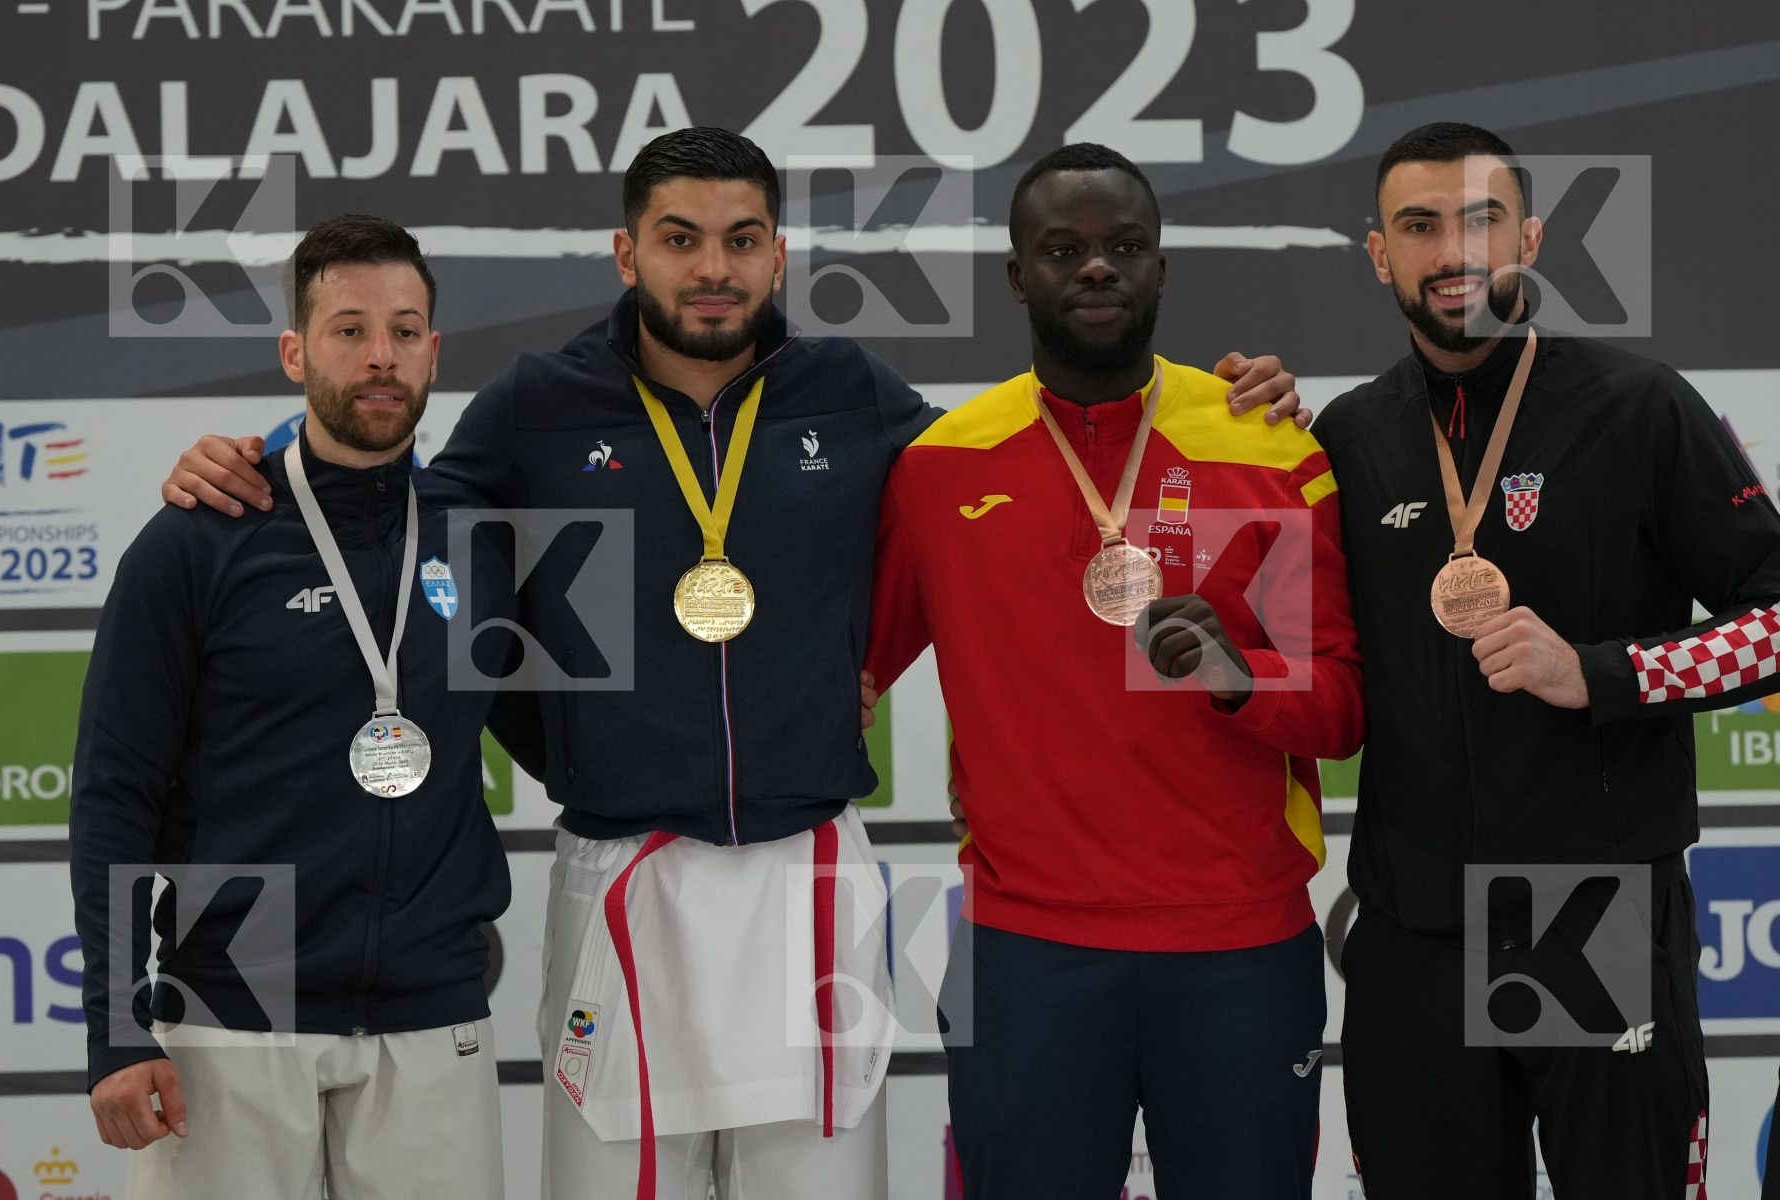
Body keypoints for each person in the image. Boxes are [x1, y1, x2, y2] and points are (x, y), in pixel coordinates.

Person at [158, 128, 1303, 1200]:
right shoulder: (538, 408)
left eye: (742, 240)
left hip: (808, 872)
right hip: (620, 867)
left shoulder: (854, 399)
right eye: (681, 239)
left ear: (777, 254)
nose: (714, 268)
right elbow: (392, 519)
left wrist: (1236, 403)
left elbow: (1038, 471)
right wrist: (254, 463)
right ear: (626, 253)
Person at [864, 142, 1363, 1200]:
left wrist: (1242, 680)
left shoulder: (1266, 445)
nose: (1097, 269)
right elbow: (845, 674)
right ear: (1015, 276)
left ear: (1163, 269)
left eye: (1125, 247)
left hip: (1238, 946)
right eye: (1063, 249)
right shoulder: (941, 465)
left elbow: (1339, 710)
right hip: (1024, 952)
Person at [1301, 121, 1780, 1198]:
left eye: (1480, 219)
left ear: (1531, 234)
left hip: (1586, 903)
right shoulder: (1348, 435)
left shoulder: (1636, 405)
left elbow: (1776, 616)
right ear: (1379, 254)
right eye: (1418, 226)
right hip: (1414, 921)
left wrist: (1603, 674)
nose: (1452, 250)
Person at [71, 214, 533, 1199]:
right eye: (349, 329)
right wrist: (113, 1027)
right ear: (294, 351)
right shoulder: (201, 538)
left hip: (431, 1015)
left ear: (434, 352)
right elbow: (116, 792)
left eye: (406, 332)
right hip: (229, 1019)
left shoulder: (480, 535)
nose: (381, 357)